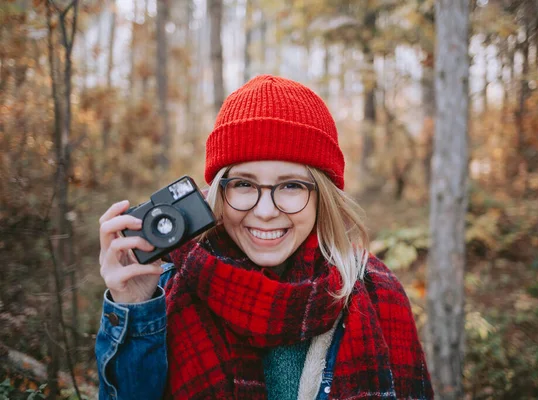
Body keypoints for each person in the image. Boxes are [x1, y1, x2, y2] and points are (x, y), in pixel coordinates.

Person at [95, 75, 433, 400]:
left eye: (291, 185)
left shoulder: (377, 292)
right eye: (243, 184)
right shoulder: (167, 290)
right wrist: (135, 309)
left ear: (323, 197)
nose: (266, 210)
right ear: (217, 195)